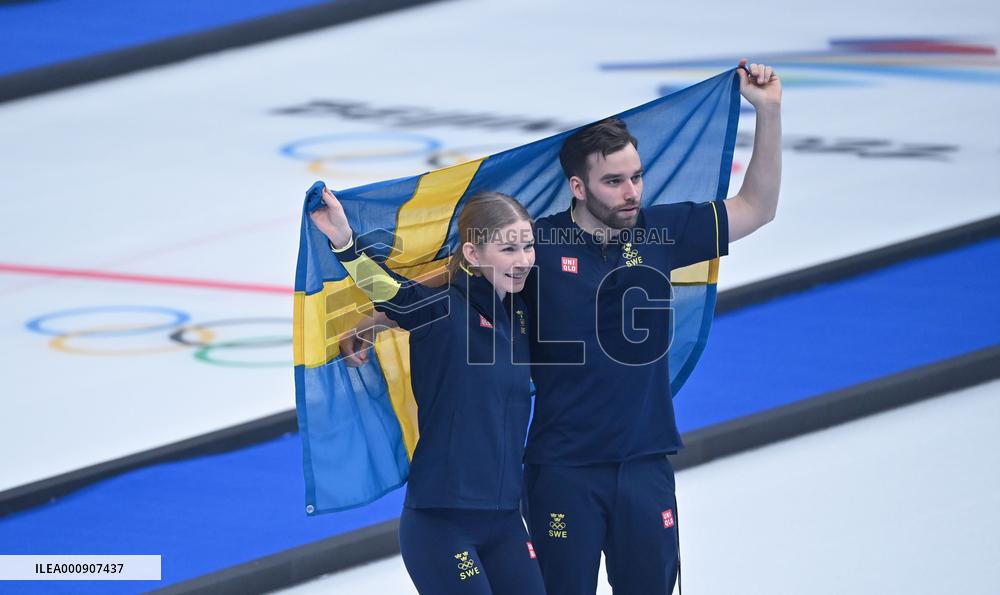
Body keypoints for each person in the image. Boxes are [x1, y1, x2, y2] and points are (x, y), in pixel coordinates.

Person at [342, 59, 782, 594]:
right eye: (614, 181)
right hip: (562, 472)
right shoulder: (538, 247)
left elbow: (758, 207)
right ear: (578, 185)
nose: (631, 192)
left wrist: (769, 112)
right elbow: (456, 277)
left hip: (646, 463)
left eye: (637, 177)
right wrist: (371, 318)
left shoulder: (663, 232)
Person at [309, 187, 545, 595]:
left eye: (528, 246)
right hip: (443, 523)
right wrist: (346, 243)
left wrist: (373, 324)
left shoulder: (519, 314)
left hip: (507, 519)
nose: (522, 261)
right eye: (508, 249)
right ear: (473, 254)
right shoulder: (444, 311)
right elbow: (395, 292)